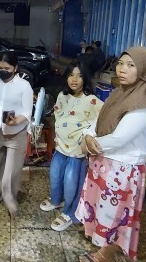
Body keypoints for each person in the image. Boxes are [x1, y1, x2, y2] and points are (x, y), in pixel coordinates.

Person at [76, 47, 146, 262]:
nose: (122, 69)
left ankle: (105, 255)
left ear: (145, 70)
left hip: (121, 170)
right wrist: (87, 136)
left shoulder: (142, 106)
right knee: (103, 212)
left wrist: (88, 144)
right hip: (104, 164)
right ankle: (103, 250)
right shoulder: (119, 94)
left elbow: (118, 139)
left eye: (131, 65)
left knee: (114, 216)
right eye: (121, 63)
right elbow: (97, 122)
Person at [39, 61, 103, 232]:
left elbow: (101, 121)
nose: (74, 79)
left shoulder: (92, 100)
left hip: (77, 152)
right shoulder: (62, 96)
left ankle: (70, 213)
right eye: (71, 75)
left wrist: (88, 138)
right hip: (61, 147)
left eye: (79, 76)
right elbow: (59, 116)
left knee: (71, 182)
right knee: (54, 174)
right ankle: (56, 200)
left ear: (85, 79)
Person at [0, 51, 34, 218]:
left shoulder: (24, 86)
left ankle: (10, 199)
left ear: (15, 68)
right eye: (0, 67)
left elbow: (28, 112)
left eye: (7, 68)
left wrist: (16, 121)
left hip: (16, 133)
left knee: (11, 172)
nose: (3, 70)